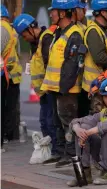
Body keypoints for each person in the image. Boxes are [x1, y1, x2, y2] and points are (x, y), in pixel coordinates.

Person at [41, 0, 84, 167]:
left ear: (63, 13)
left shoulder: (75, 34)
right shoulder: (58, 32)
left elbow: (72, 65)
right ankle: (61, 152)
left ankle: (71, 154)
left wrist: (63, 88)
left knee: (68, 123)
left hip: (66, 90)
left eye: (54, 11)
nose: (51, 13)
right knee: (58, 122)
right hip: (55, 88)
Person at [12, 13, 60, 163]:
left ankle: (57, 151)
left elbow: (49, 65)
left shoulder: (46, 39)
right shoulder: (36, 43)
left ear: (30, 29)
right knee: (44, 121)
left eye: (24, 35)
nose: (24, 39)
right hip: (43, 90)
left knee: (51, 121)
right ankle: (51, 150)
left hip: (50, 88)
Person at [1, 4, 22, 146]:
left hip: (6, 74)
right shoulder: (11, 29)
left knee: (5, 108)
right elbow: (18, 53)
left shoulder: (2, 28)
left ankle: (4, 137)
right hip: (12, 73)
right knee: (9, 108)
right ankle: (9, 135)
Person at [71, 0, 93, 118]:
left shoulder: (90, 27)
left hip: (85, 81)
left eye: (77, 9)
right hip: (70, 81)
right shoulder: (64, 28)